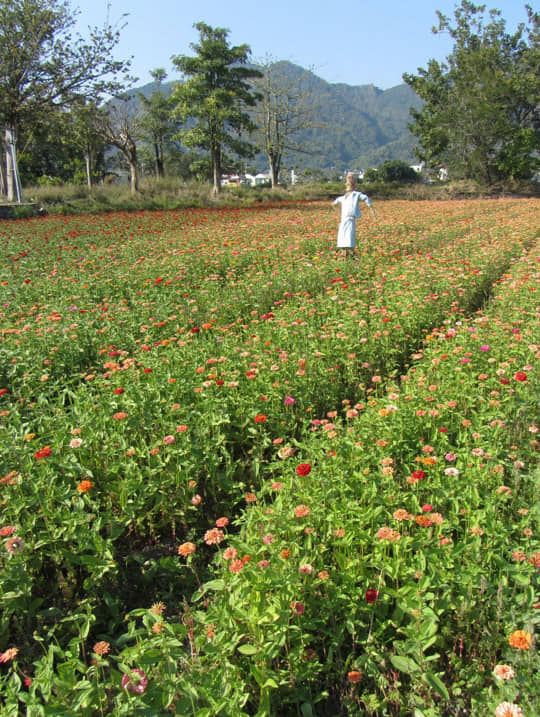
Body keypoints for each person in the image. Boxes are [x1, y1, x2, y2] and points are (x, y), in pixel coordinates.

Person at [332, 173, 375, 257]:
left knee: (349, 235)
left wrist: (371, 207)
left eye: (350, 184)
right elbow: (334, 203)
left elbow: (365, 198)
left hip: (350, 218)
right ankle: (343, 252)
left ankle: (350, 252)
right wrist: (335, 209)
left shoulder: (356, 194)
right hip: (343, 219)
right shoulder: (343, 197)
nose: (348, 186)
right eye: (347, 184)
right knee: (342, 235)